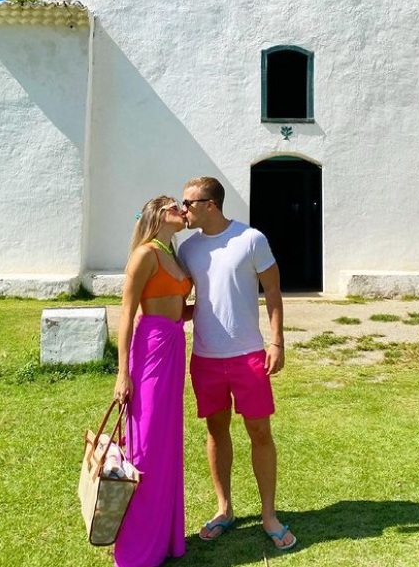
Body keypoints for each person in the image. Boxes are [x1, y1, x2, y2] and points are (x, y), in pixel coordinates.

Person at [177, 176, 297, 551]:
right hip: (205, 359)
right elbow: (186, 299)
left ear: (210, 204)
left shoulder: (251, 239)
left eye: (188, 203)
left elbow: (273, 291)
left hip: (248, 357)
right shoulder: (187, 249)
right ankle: (224, 509)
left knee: (260, 433)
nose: (183, 210)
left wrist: (277, 341)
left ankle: (269, 515)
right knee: (216, 432)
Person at [113, 196, 192, 567]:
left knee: (166, 442)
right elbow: (126, 315)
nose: (183, 209)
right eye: (176, 205)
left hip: (174, 346)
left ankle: (165, 538)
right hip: (150, 353)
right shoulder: (145, 254)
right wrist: (122, 373)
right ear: (160, 214)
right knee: (145, 445)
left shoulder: (173, 254)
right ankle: (137, 546)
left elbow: (178, 306)